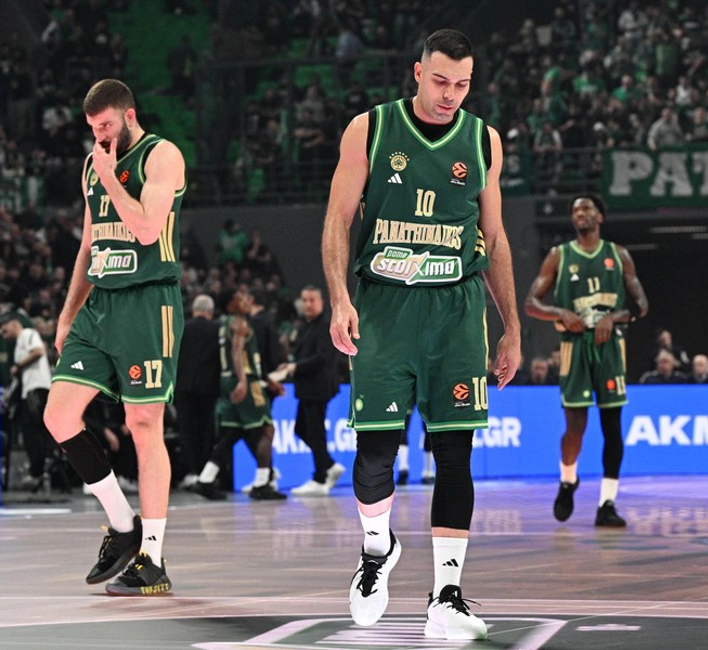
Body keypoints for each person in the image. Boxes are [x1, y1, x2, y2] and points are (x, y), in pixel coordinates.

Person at [321, 29, 521, 641]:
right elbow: (338, 219)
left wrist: (512, 327)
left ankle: (447, 597)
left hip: (456, 310)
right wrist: (340, 298)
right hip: (383, 307)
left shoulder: (484, 140)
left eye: (461, 84)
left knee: (455, 452)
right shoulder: (370, 129)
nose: (449, 94)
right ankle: (376, 548)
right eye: (440, 81)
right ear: (417, 72)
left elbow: (496, 238)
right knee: (376, 453)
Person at [42, 79, 187, 596]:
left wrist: (110, 178)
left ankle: (153, 558)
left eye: (105, 125)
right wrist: (66, 316)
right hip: (100, 304)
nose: (99, 136)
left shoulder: (162, 155)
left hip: (148, 302)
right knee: (58, 416)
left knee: (143, 424)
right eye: (92, 128)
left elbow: (147, 229)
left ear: (128, 115)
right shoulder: (92, 164)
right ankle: (123, 525)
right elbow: (88, 244)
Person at [526, 192, 649, 527]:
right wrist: (560, 313)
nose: (580, 213)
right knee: (575, 427)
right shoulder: (559, 255)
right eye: (575, 210)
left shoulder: (618, 255)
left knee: (612, 427)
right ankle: (568, 480)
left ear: (600, 216)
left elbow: (641, 306)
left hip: (610, 346)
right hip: (574, 347)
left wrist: (615, 317)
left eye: (586, 208)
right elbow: (531, 303)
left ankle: (607, 503)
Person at [193, 286, 288, 500]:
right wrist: (244, 381)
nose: (246, 300)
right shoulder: (239, 322)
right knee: (266, 429)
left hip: (230, 380)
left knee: (232, 432)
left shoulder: (226, 323)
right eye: (240, 297)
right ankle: (262, 484)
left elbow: (245, 357)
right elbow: (237, 353)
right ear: (231, 304)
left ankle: (205, 479)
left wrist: (268, 380)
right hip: (244, 382)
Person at [283, 285, 346, 496]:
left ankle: (320, 477)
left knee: (315, 431)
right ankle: (328, 464)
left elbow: (323, 357)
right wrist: (290, 365)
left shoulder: (325, 325)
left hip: (318, 387)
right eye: (304, 300)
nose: (308, 304)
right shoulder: (304, 326)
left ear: (321, 302)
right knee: (301, 429)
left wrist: (296, 367)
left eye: (312, 300)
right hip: (307, 388)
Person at [0, 314, 53, 488]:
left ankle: (37, 472)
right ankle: (38, 470)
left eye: (5, 330)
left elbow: (38, 351)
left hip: (36, 389)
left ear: (14, 324)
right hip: (28, 390)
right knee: (31, 431)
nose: (4, 336)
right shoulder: (18, 345)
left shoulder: (28, 334)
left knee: (33, 432)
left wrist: (18, 365)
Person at [176, 294, 222, 490]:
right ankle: (204, 472)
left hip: (183, 387)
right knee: (206, 430)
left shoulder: (181, 327)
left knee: (186, 430)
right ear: (209, 312)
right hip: (208, 387)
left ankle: (190, 472)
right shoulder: (217, 329)